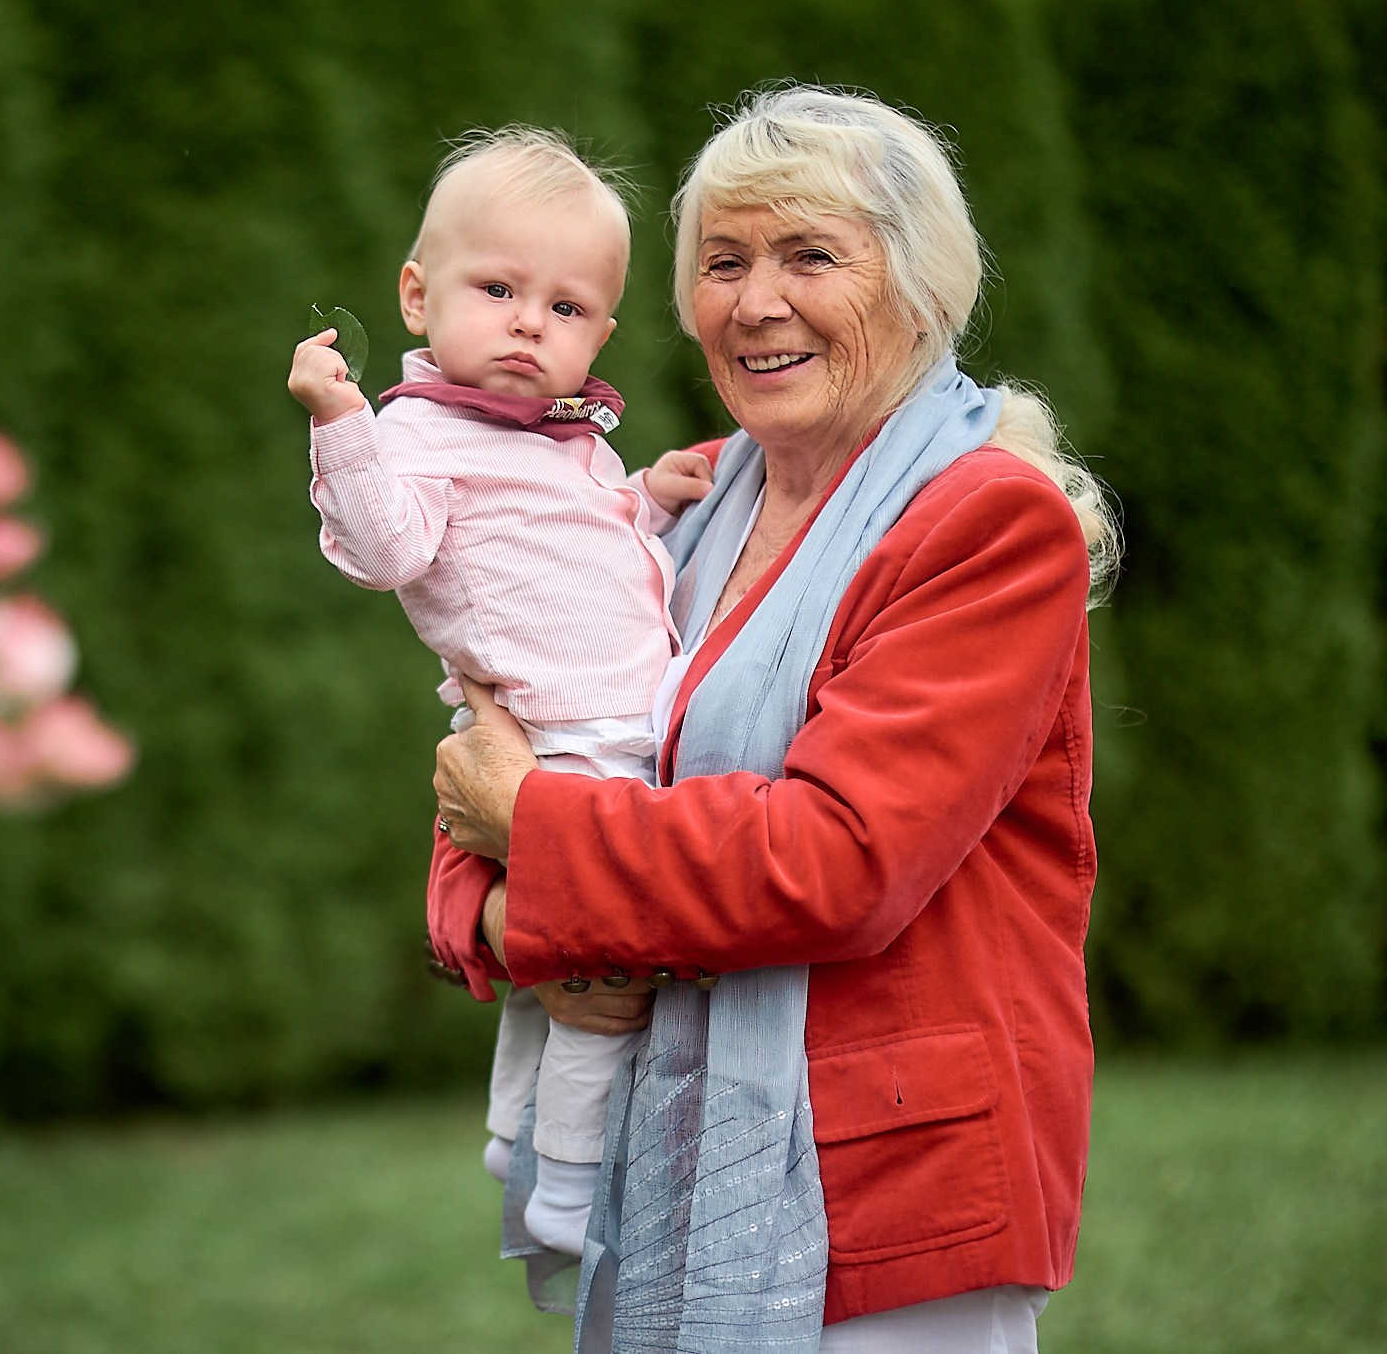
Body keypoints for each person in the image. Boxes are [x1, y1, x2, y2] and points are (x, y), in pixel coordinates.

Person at [429, 86, 1117, 1354]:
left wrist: (535, 834)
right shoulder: (677, 507)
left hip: (888, 1184)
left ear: (921, 290)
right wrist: (497, 917)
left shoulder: (985, 526)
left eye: (809, 256)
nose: (755, 302)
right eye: (721, 261)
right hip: (668, 1140)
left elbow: (837, 857)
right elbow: (505, 738)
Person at [287, 126, 716, 1258]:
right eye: (498, 289)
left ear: (602, 335)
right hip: (569, 736)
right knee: (599, 967)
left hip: (604, 721)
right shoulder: (417, 433)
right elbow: (387, 548)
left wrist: (651, 504)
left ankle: (507, 1127)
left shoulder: (558, 439)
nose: (531, 322)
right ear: (417, 297)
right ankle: (567, 1186)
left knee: (545, 960)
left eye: (568, 309)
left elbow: (587, 562)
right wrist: (341, 428)